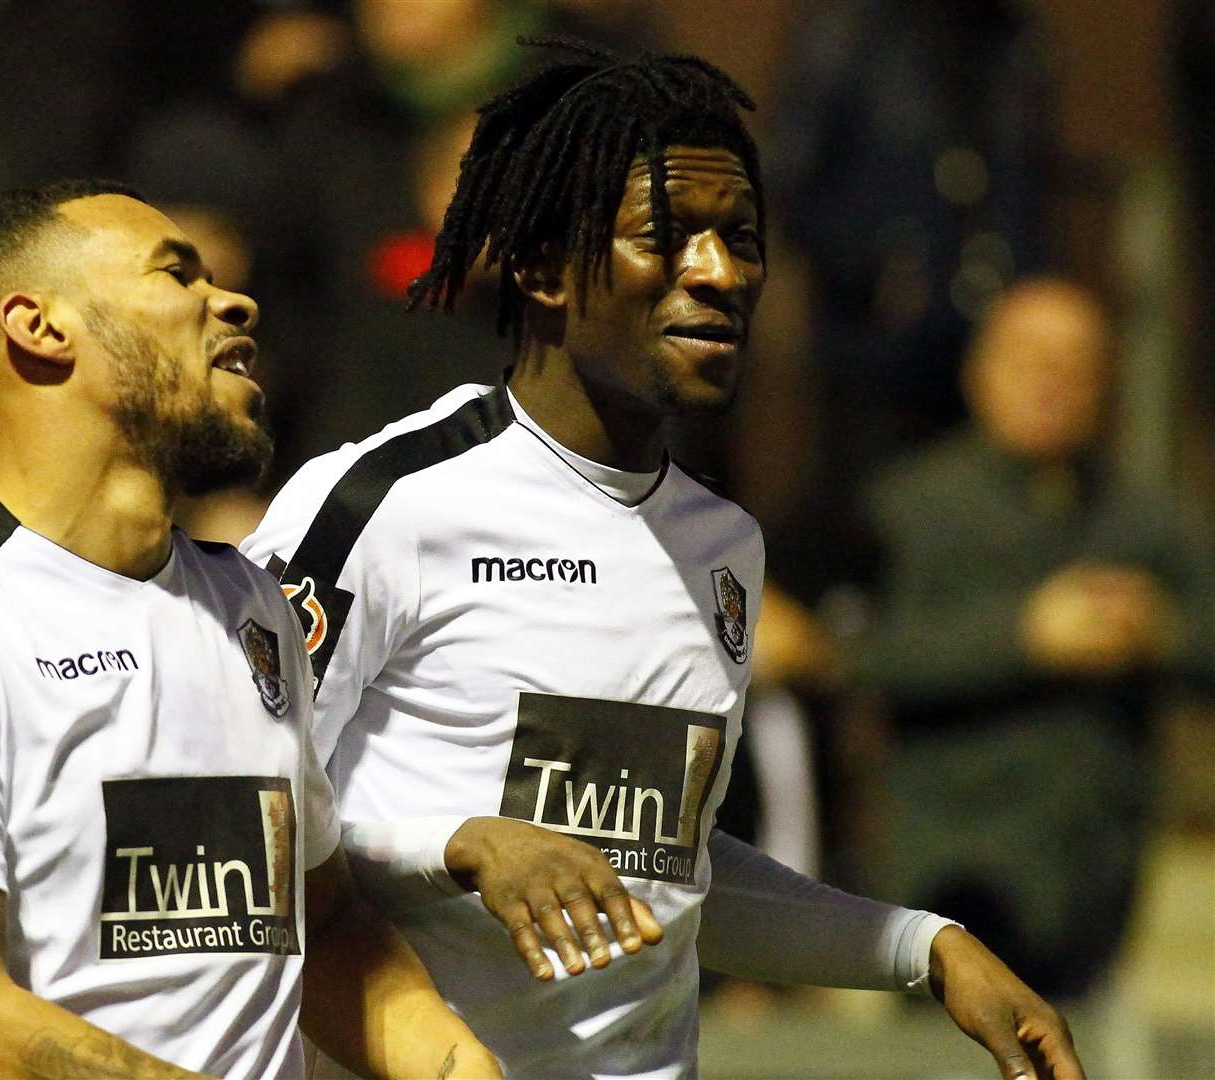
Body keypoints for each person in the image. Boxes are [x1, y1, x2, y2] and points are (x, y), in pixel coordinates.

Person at [242, 39, 1082, 1079]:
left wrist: (922, 946)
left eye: (740, 238)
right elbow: (236, 820)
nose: (720, 272)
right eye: (666, 237)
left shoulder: (722, 550)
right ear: (543, 266)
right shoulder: (379, 503)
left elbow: (668, 879)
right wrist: (459, 846)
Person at [0, 178, 498, 1078]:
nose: (232, 300)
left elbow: (327, 932)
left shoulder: (253, 609)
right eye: (177, 276)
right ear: (40, 327)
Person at [852, 279, 1215, 997]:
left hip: (1096, 871)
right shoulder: (911, 507)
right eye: (1032, 361)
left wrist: (1157, 631)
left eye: (1075, 365)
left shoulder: (1144, 516)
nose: (1054, 383)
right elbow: (864, 656)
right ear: (980, 373)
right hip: (952, 868)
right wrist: (1024, 636)